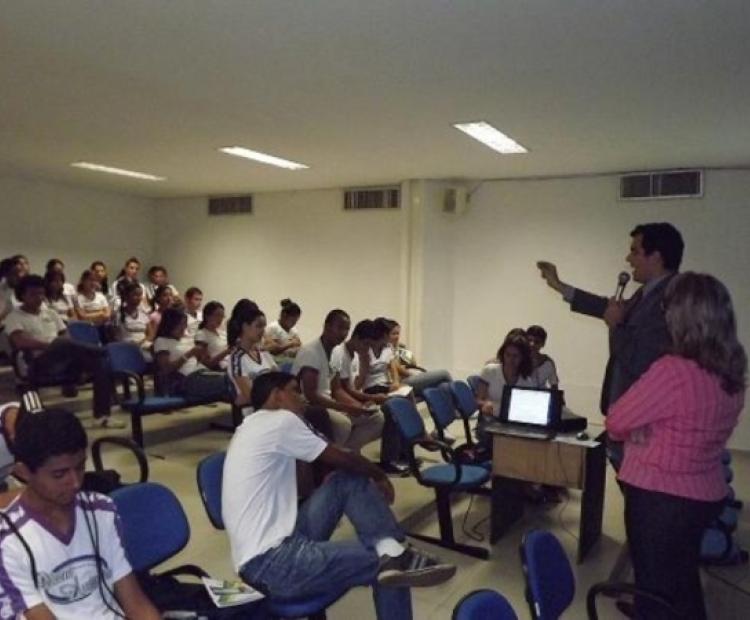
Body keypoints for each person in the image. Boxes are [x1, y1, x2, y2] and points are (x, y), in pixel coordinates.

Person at [224, 372, 456, 620]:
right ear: (277, 396)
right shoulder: (280, 420)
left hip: (271, 550)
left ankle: (392, 548)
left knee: (344, 480)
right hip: (272, 565)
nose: (303, 398)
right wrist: (379, 474)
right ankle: (394, 552)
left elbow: (308, 483)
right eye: (295, 391)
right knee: (388, 566)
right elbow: (342, 456)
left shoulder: (251, 425)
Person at [606, 272, 746, 619]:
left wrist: (643, 430)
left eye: (668, 308)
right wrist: (650, 427)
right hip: (703, 493)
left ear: (682, 316)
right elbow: (695, 427)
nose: (665, 315)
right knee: (682, 579)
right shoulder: (730, 369)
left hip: (659, 499)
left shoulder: (673, 371)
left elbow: (617, 421)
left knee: (653, 590)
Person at [537, 222, 685, 468]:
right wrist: (560, 286)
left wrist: (615, 326)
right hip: (631, 410)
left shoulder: (672, 297)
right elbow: (610, 308)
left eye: (635, 251)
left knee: (635, 480)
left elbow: (641, 357)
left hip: (642, 413)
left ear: (656, 256)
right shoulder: (648, 292)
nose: (628, 259)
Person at [0, 408, 161, 619]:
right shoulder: (7, 540)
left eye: (80, 467)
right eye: (59, 474)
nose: (75, 483)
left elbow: (135, 603)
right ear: (23, 472)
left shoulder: (101, 510)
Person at [5, 275, 123, 428]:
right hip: (36, 363)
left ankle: (102, 416)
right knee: (63, 344)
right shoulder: (14, 317)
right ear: (22, 296)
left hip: (64, 359)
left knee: (100, 363)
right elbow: (19, 341)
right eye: (33, 294)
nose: (39, 298)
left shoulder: (51, 313)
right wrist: (51, 346)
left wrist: (60, 346)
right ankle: (102, 350)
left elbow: (67, 337)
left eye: (41, 293)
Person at [292, 310, 384, 452]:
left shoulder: (335, 353)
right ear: (327, 327)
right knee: (343, 424)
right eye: (340, 328)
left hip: (328, 404)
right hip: (309, 406)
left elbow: (337, 389)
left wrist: (358, 406)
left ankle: (347, 452)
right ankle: (335, 457)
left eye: (347, 329)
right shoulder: (311, 352)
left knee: (376, 418)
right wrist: (345, 408)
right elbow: (311, 395)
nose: (343, 333)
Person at [332, 320, 408, 476]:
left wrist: (367, 398)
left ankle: (350, 453)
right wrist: (360, 404)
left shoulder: (355, 355)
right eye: (366, 344)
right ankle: (346, 456)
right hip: (335, 402)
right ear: (357, 338)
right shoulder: (339, 354)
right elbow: (339, 390)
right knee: (381, 414)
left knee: (382, 415)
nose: (367, 349)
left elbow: (352, 388)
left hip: (354, 396)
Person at [153, 307, 228, 401]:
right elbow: (166, 369)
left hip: (201, 372)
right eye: (180, 324)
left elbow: (200, 361)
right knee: (228, 382)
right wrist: (189, 354)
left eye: (185, 324)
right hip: (185, 380)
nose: (183, 328)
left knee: (231, 379)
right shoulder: (162, 341)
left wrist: (200, 355)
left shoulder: (186, 339)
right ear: (171, 324)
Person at [475, 334, 535, 448]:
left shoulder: (527, 381)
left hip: (512, 423)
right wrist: (484, 404)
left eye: (515, 356)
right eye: (508, 355)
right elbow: (478, 400)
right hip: (489, 420)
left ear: (523, 358)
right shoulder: (490, 371)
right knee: (499, 439)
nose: (510, 360)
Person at [226, 303, 275, 415]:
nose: (263, 331)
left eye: (264, 326)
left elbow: (280, 383)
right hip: (254, 414)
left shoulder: (264, 354)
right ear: (245, 326)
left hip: (273, 408)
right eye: (258, 326)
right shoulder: (237, 358)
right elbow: (251, 395)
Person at [385, 319, 452, 399]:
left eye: (398, 333)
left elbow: (413, 363)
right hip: (403, 381)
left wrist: (402, 349)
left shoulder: (399, 348)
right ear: (386, 335)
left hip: (410, 377)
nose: (397, 336)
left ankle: (449, 405)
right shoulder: (386, 349)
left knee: (443, 385)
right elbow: (398, 369)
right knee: (444, 374)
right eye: (394, 334)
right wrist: (413, 374)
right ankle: (458, 402)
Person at [113, 281, 152, 360]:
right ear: (126, 296)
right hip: (126, 347)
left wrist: (142, 342)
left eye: (140, 295)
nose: (139, 298)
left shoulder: (144, 315)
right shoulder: (118, 315)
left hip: (143, 345)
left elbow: (150, 334)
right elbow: (115, 336)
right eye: (135, 295)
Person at [264, 298, 303, 364]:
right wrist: (291, 344)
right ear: (284, 316)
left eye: (296, 321)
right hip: (275, 363)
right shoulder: (273, 327)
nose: (294, 323)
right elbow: (274, 350)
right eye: (292, 320)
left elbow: (299, 347)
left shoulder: (294, 330)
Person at [195, 301, 231, 371]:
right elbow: (207, 363)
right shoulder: (201, 335)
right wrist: (227, 351)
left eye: (222, 316)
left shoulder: (223, 333)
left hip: (230, 364)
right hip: (218, 369)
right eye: (217, 315)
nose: (220, 319)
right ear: (207, 316)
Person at [526, 325, 559, 389]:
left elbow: (554, 385)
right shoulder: (518, 358)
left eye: (536, 342)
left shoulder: (548, 363)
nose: (532, 344)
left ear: (543, 344)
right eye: (529, 340)